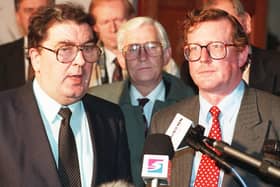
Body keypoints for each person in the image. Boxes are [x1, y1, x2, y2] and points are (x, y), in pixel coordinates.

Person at [0, 3, 131, 187]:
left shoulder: (110, 119)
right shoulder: (4, 116)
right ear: (36, 59)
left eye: (87, 48)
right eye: (65, 49)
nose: (80, 61)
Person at [150, 9, 280, 186]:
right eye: (194, 48)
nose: (203, 58)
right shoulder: (164, 121)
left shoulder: (274, 115)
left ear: (242, 55)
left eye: (216, 47)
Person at [88, 16, 195, 186]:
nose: (142, 56)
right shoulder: (99, 103)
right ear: (121, 59)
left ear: (167, 55)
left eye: (152, 47)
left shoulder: (193, 104)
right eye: (132, 49)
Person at [88, 0, 180, 87]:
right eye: (105, 22)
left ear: (131, 18)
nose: (113, 29)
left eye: (118, 20)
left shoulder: (162, 62)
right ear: (95, 27)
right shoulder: (86, 62)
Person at [204, 0, 280, 96]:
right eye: (210, 26)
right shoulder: (195, 70)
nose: (218, 32)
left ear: (246, 23)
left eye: (227, 21)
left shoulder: (276, 66)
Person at [0, 0, 55, 91]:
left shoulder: (68, 53)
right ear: (17, 16)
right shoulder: (2, 55)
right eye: (29, 10)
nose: (36, 16)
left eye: (42, 10)